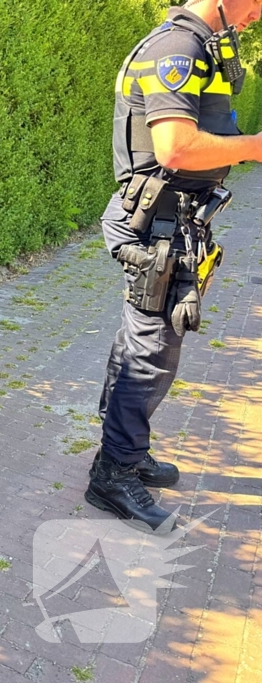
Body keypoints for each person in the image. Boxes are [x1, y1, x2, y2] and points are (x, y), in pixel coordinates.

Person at [87, 0, 262, 531]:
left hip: (168, 222)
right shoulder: (177, 50)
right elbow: (176, 147)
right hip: (155, 226)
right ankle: (112, 475)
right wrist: (254, 147)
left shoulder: (190, 45)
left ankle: (126, 451)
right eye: (256, 3)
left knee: (145, 344)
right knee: (150, 351)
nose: (256, 15)